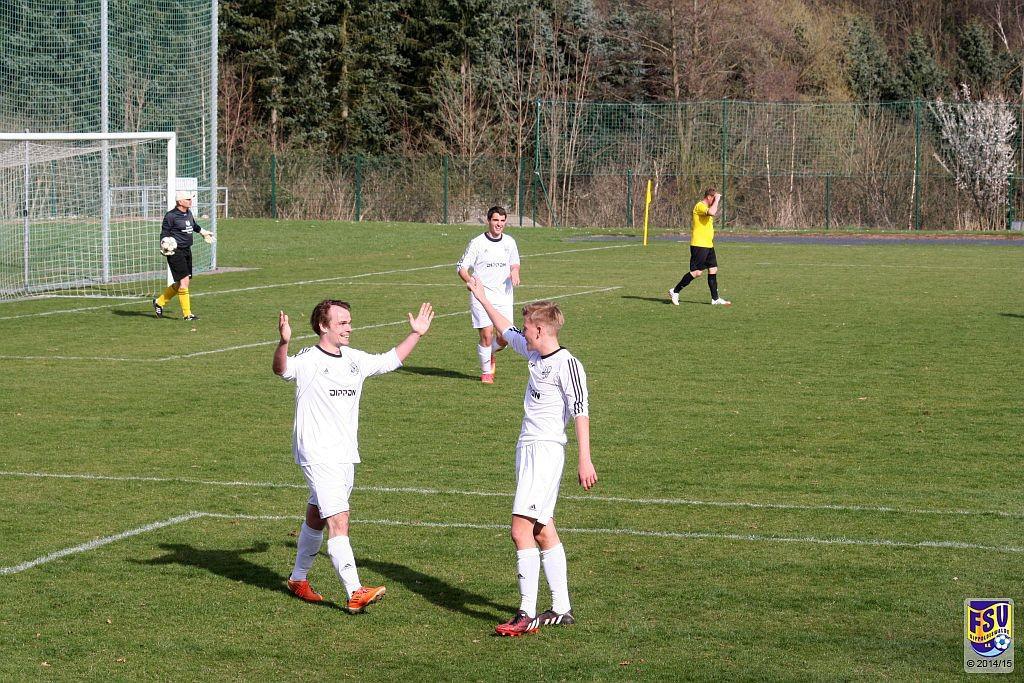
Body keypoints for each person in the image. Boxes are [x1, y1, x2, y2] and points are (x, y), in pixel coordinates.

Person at [273, 298, 435, 613]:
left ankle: (298, 579)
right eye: (343, 323)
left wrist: (416, 333)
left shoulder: (354, 359)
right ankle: (355, 591)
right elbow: (282, 369)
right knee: (339, 519)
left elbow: (388, 361)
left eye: (349, 322)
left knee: (317, 514)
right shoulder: (309, 359)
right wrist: (283, 343)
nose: (349, 327)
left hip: (345, 453)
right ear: (323, 326)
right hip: (317, 451)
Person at [465, 275, 597, 637]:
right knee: (541, 528)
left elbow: (581, 411)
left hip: (545, 451)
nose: (523, 332)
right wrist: (482, 297)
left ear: (540, 330)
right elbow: (506, 331)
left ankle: (525, 613)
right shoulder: (536, 353)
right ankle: (562, 608)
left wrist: (585, 458)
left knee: (519, 529)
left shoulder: (567, 364)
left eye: (527, 328)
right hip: (528, 449)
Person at [456, 206, 521, 383]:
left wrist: (515, 271)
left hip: (504, 296)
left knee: (506, 337)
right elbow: (461, 267)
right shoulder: (477, 243)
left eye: (502, 221)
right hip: (481, 296)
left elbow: (515, 263)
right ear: (489, 221)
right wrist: (470, 280)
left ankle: (488, 352)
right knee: (486, 334)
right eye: (495, 220)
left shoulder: (510, 242)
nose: (499, 224)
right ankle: (486, 373)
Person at [153, 191, 215, 321]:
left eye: (190, 199)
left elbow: (193, 225)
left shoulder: (188, 213)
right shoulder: (171, 216)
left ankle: (159, 302)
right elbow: (164, 233)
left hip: (187, 250)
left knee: (181, 283)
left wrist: (203, 232)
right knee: (184, 281)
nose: (190, 201)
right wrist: (164, 245)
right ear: (180, 202)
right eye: (188, 199)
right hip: (175, 252)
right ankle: (187, 315)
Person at [668, 187, 731, 306]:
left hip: (708, 244)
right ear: (709, 197)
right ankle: (675, 291)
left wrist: (716, 200)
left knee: (713, 269)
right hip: (699, 245)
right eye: (713, 198)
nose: (715, 201)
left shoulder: (707, 207)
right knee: (697, 272)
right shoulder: (700, 206)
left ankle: (715, 299)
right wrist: (717, 200)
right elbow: (712, 212)